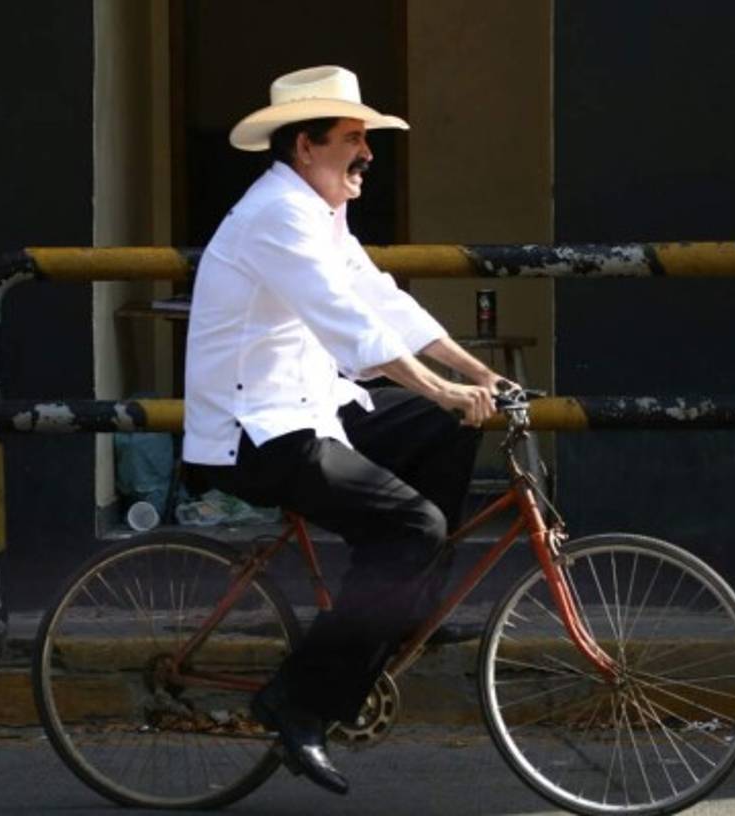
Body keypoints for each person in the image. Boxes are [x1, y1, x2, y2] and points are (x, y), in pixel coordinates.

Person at [183, 66, 511, 795]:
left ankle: (399, 610)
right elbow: (347, 322)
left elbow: (379, 298)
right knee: (411, 527)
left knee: (443, 430)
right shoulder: (277, 216)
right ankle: (299, 704)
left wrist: (476, 375)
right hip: (257, 430)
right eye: (352, 140)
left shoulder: (320, 211)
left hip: (314, 409)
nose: (367, 155)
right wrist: (439, 387)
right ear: (306, 147)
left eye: (367, 140)